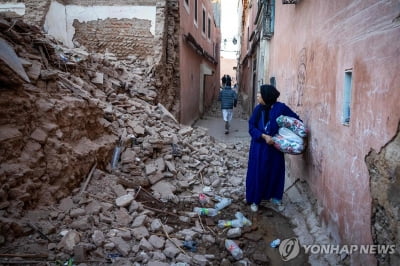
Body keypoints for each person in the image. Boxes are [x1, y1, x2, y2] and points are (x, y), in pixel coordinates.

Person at [245, 84, 301, 212]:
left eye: (260, 93)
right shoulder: (258, 110)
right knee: (258, 172)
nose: (258, 95)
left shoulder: (281, 108)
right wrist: (263, 136)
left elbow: (295, 121)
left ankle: (275, 198)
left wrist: (284, 137)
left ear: (267, 96)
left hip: (275, 148)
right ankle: (255, 199)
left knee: (275, 171)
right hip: (259, 148)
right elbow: (251, 126)